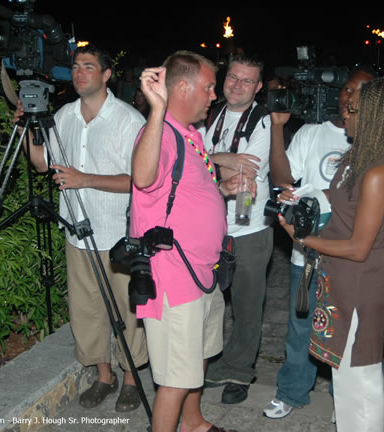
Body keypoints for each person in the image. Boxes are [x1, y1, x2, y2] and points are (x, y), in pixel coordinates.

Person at [13, 44, 148, 413]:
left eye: (89, 66)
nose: (79, 72)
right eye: (75, 66)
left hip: (118, 234)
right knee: (87, 310)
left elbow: (140, 180)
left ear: (107, 75)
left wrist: (85, 178)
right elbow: (43, 165)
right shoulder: (63, 117)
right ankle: (104, 376)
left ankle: (133, 378)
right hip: (77, 232)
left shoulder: (128, 120)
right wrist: (26, 128)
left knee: (127, 311)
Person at [280, 78, 384, 431]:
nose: (346, 116)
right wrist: (301, 197)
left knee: (360, 379)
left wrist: (303, 238)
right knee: (346, 373)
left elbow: (358, 248)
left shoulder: (378, 171)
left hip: (360, 280)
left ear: (373, 118)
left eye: (353, 111)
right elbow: (342, 195)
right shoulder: (360, 158)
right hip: (341, 277)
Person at [132, 50, 250, 432]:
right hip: (174, 276)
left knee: (199, 356)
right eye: (209, 87)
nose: (214, 95)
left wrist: (221, 190)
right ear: (182, 87)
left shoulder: (191, 133)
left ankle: (194, 422)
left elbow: (187, 189)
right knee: (175, 377)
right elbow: (144, 177)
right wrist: (155, 110)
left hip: (205, 271)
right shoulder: (161, 132)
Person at [262, 67, 374, 419]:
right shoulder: (311, 133)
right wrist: (278, 128)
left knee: (348, 331)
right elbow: (283, 181)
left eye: (361, 92)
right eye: (347, 90)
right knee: (301, 326)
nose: (349, 99)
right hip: (307, 252)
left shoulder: (374, 143)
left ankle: (344, 397)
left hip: (349, 256)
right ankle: (293, 391)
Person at [201, 55, 273, 405]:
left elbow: (247, 173)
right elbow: (187, 158)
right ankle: (213, 362)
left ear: (258, 87)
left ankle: (239, 371)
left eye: (247, 81)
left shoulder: (263, 121)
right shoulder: (209, 111)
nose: (237, 85)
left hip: (248, 229)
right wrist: (224, 158)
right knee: (209, 303)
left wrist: (209, 158)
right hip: (208, 226)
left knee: (246, 306)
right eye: (233, 77)